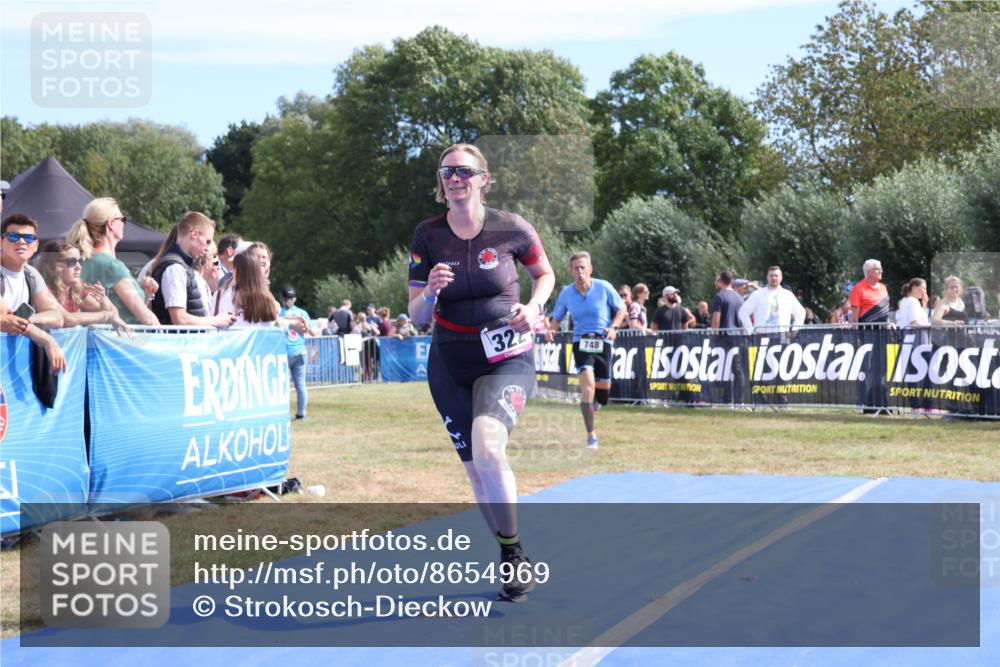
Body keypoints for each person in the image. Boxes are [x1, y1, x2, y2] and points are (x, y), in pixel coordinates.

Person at [407, 143, 554, 603]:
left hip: (506, 356)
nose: (455, 178)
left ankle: (512, 558)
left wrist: (534, 306)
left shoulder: (511, 228)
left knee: (490, 448)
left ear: (483, 178)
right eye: (447, 171)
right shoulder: (427, 235)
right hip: (450, 360)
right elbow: (414, 315)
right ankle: (513, 551)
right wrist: (428, 292)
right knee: (476, 472)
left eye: (464, 171)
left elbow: (545, 274)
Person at [547, 251, 626, 449]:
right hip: (581, 342)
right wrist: (552, 330)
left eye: (583, 267)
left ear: (590, 269)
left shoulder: (604, 287)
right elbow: (557, 316)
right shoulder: (566, 294)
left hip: (603, 341)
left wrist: (614, 327)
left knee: (603, 395)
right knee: (587, 384)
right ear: (571, 271)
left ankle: (594, 404)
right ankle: (591, 435)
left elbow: (621, 308)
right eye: (576, 268)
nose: (580, 271)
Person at [67, 198, 159, 325]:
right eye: (123, 220)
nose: (124, 224)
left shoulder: (81, 261)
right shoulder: (111, 266)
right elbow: (146, 318)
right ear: (111, 223)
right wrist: (167, 340)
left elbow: (126, 311)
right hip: (122, 342)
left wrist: (147, 294)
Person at [0, 214, 66, 372]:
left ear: (35, 245)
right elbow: (6, 319)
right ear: (1, 242)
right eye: (13, 236)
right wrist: (47, 339)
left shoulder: (30, 274)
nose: (21, 241)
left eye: (28, 238)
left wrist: (28, 319)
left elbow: (57, 317)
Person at [150, 212, 235, 328]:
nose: (207, 248)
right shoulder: (175, 269)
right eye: (207, 241)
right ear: (194, 234)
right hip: (180, 344)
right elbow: (179, 319)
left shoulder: (180, 267)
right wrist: (216, 320)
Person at [38, 240, 129, 332]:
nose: (79, 267)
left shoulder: (76, 289)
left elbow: (113, 315)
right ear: (54, 265)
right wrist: (107, 315)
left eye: (80, 261)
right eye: (72, 261)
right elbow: (67, 319)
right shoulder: (43, 289)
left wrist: (104, 300)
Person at [850, 259, 891, 414]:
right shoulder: (858, 289)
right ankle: (865, 403)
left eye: (881, 269)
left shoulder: (883, 288)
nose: (881, 271)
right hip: (866, 333)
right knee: (866, 368)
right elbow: (854, 318)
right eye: (877, 269)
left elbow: (885, 313)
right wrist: (857, 338)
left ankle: (880, 402)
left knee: (881, 368)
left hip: (882, 334)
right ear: (868, 272)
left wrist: (889, 324)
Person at [278, 286, 315, 421]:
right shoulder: (302, 313)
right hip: (299, 352)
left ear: (281, 298)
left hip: (283, 352)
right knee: (301, 385)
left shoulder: (278, 313)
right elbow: (312, 332)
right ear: (294, 299)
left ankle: (284, 413)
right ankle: (301, 413)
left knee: (283, 385)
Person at [738, 266, 806, 334]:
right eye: (771, 276)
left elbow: (801, 313)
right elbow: (743, 312)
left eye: (776, 276)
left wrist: (794, 331)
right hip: (761, 336)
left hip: (783, 336)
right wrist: (752, 330)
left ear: (781, 278)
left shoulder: (788, 295)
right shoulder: (757, 295)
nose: (774, 278)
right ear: (767, 277)